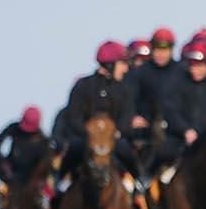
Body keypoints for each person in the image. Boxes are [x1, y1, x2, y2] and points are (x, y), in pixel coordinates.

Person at [54, 41, 147, 190]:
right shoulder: (83, 86)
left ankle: (140, 183)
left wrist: (116, 132)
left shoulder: (124, 90)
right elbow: (73, 117)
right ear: (110, 65)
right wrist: (90, 134)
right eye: (122, 63)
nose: (126, 68)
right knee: (74, 149)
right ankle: (60, 187)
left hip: (114, 141)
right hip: (87, 140)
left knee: (125, 151)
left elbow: (126, 118)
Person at [152, 33, 206, 181]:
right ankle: (146, 187)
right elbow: (169, 110)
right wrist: (184, 130)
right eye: (192, 65)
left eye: (200, 65)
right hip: (179, 140)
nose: (195, 70)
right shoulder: (177, 82)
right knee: (162, 154)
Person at [131, 26, 179, 158]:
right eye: (157, 49)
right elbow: (130, 98)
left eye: (165, 50)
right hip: (145, 132)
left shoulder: (181, 72)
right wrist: (134, 116)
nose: (161, 54)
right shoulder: (140, 73)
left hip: (176, 132)